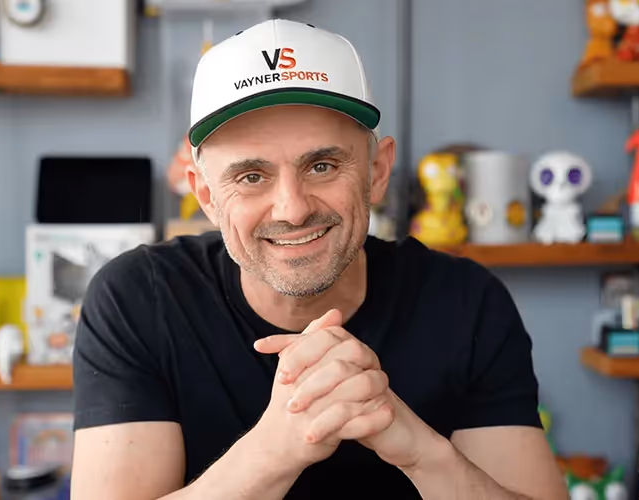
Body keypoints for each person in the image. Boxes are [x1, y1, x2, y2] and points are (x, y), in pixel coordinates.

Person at [70, 18, 568, 500]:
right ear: (205, 194)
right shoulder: (138, 299)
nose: (293, 208)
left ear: (377, 171)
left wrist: (420, 451)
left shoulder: (465, 301)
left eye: (323, 166)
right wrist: (275, 450)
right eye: (250, 176)